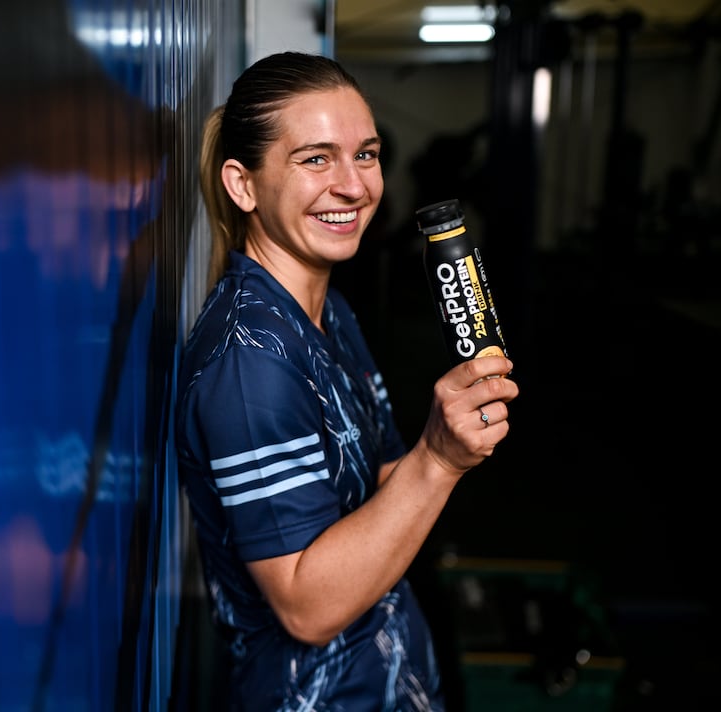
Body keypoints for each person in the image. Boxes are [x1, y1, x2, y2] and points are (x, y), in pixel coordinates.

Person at [174, 51, 519, 711]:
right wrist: (439, 461)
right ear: (243, 186)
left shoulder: (326, 309)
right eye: (315, 159)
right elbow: (305, 605)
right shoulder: (248, 364)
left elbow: (385, 477)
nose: (355, 185)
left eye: (366, 154)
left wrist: (436, 450)